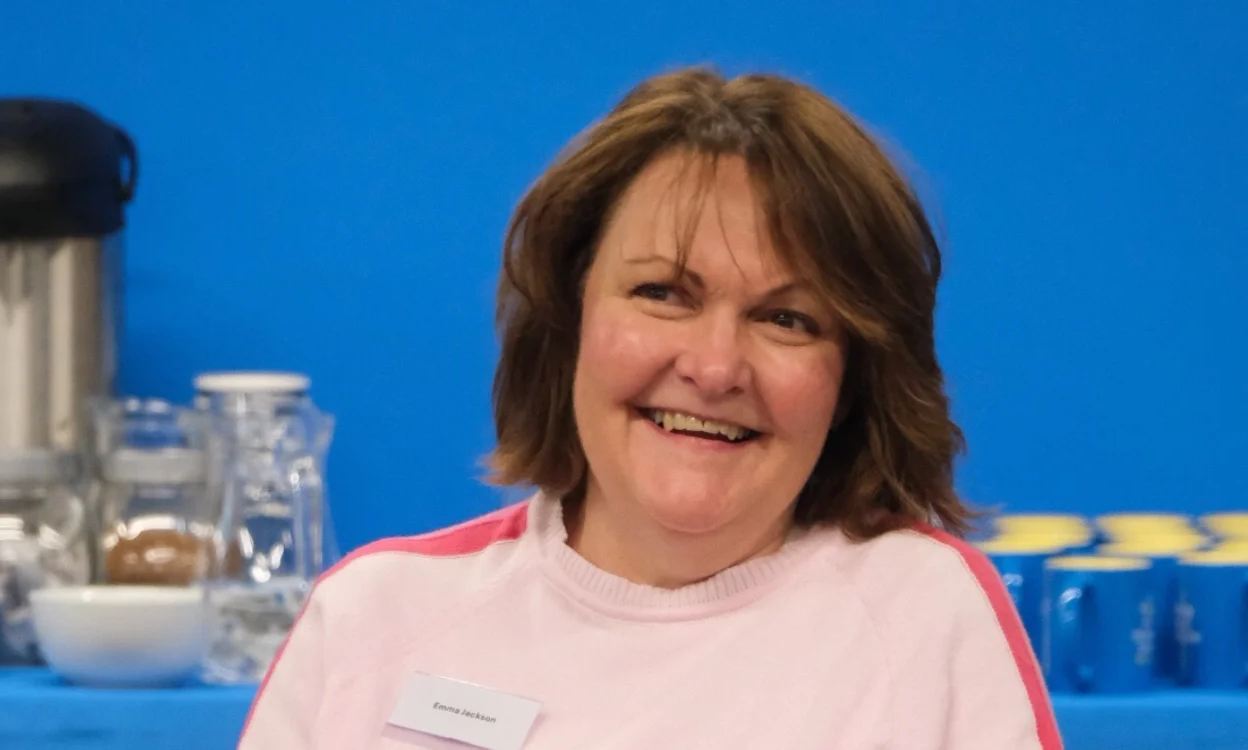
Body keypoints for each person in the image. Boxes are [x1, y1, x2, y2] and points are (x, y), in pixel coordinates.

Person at [239, 67, 1061, 749]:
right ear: (570, 318)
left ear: (853, 378)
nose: (712, 368)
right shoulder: (372, 620)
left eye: (787, 319)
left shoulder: (924, 619)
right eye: (663, 293)